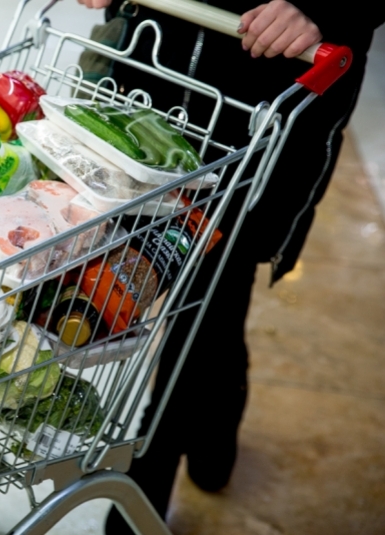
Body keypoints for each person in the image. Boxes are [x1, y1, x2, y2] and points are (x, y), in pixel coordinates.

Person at [73, 0, 385, 532]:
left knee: (215, 276)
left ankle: (153, 459)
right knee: (139, 248)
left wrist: (323, 8)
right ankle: (220, 407)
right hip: (154, 55)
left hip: (267, 83)